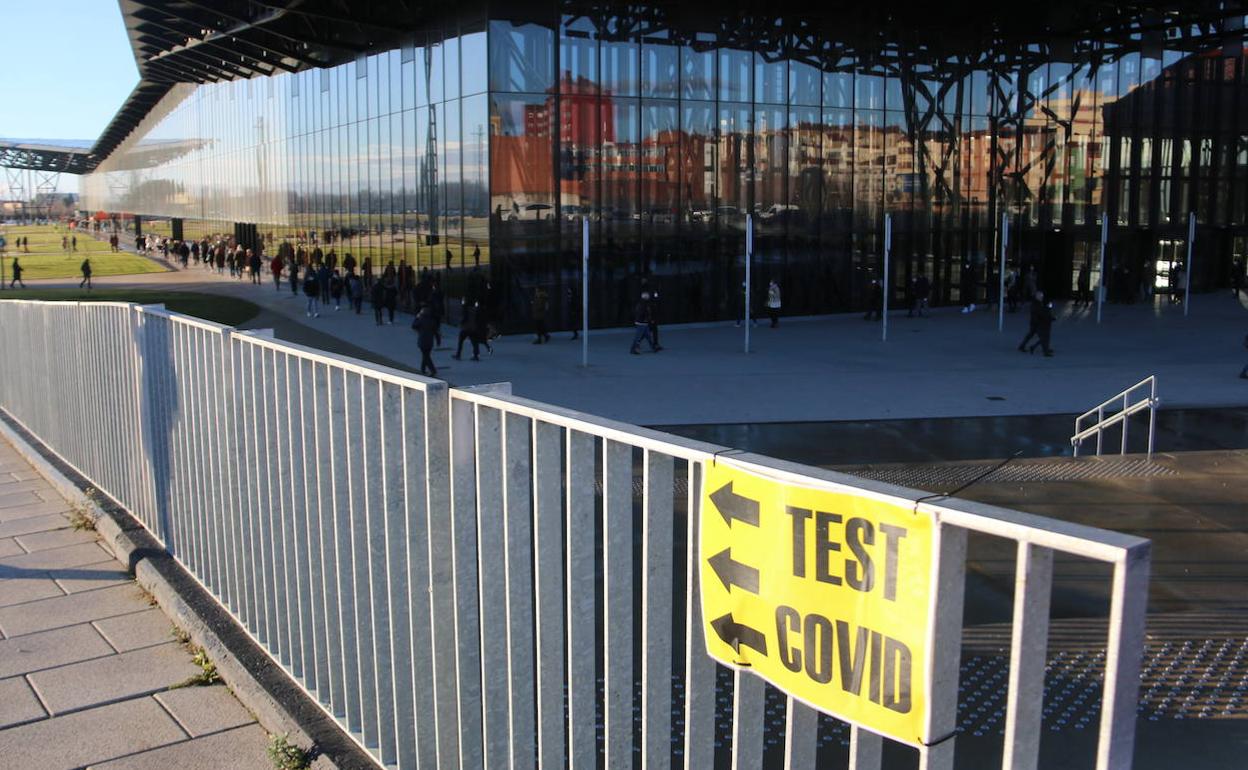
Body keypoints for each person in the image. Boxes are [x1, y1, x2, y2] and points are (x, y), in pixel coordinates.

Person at [1018, 291, 1055, 357]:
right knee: (1044, 337)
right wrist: (1049, 315)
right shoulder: (1036, 304)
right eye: (1040, 296)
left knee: (1031, 335)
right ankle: (1045, 351)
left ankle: (1022, 346)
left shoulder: (1038, 303)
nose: (1041, 297)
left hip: (1036, 322)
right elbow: (1041, 313)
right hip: (1038, 323)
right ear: (1036, 296)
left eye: (1042, 296)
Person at [413, 303, 439, 377]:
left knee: (426, 356)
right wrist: (438, 340)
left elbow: (414, 326)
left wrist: (417, 317)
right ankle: (423, 369)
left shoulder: (420, 320)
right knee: (426, 354)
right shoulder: (432, 321)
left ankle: (432, 370)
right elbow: (436, 332)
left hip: (422, 340)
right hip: (430, 341)